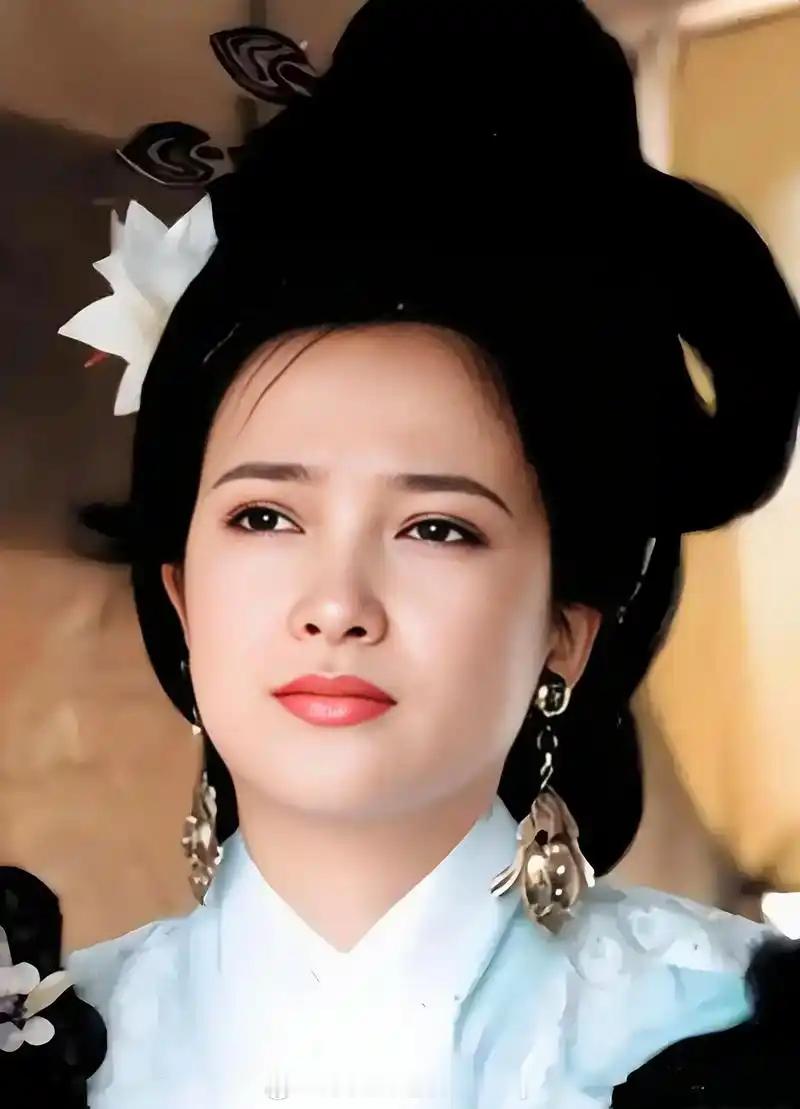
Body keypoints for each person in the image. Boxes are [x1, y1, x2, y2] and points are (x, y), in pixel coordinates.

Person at [2, 0, 800, 1105]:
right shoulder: (44, 1049)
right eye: (265, 516)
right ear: (179, 595)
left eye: (437, 527)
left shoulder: (740, 1037)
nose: (337, 602)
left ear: (564, 632)